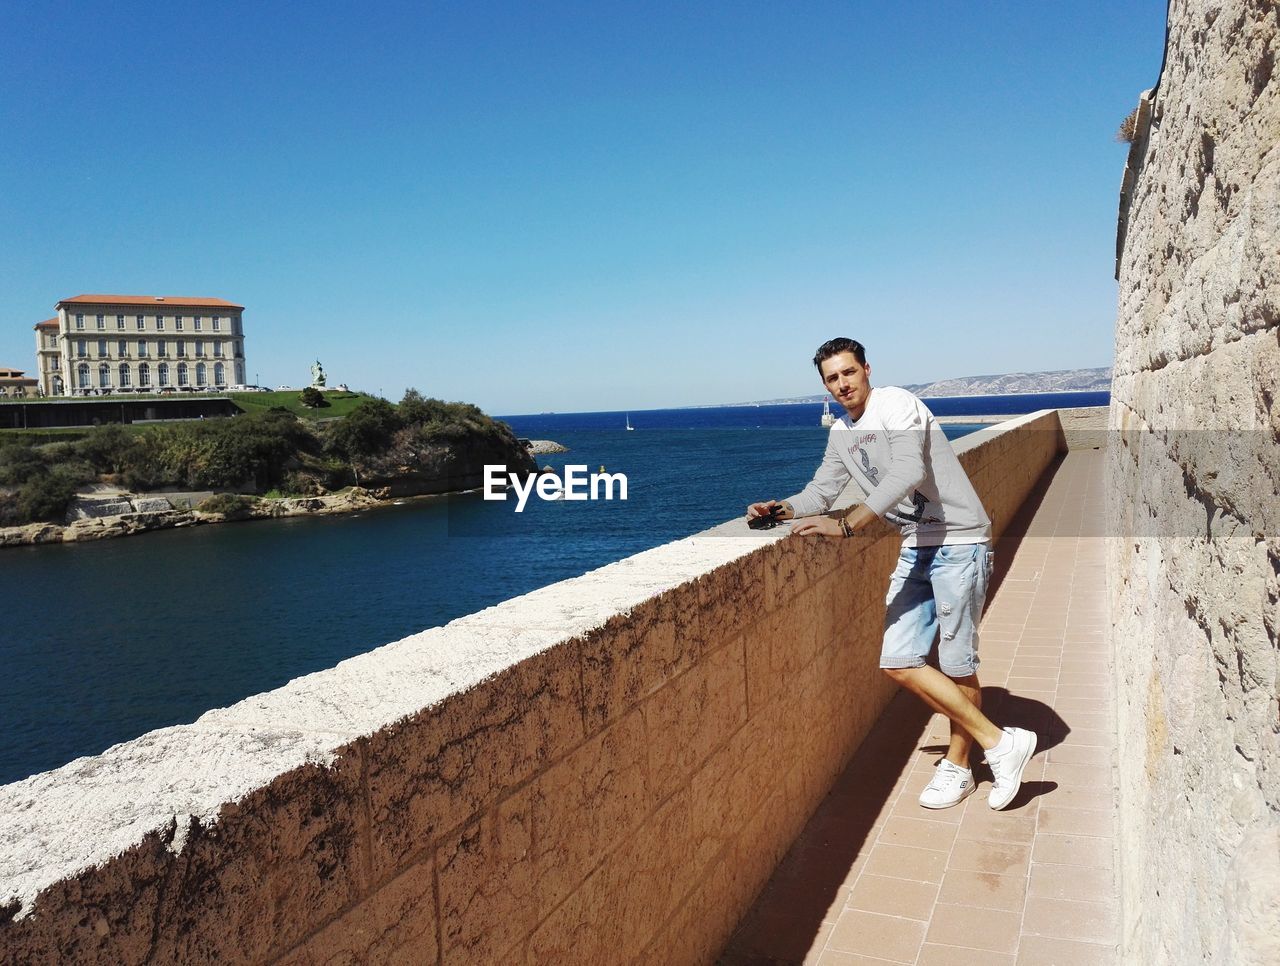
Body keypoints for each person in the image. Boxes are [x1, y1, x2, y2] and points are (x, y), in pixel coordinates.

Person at [747, 337, 1037, 810]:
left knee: (957, 661)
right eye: (831, 378)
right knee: (897, 659)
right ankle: (1002, 743)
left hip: (958, 541)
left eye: (848, 372)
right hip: (916, 546)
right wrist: (778, 510)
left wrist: (849, 525)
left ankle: (961, 766)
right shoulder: (841, 433)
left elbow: (906, 470)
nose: (842, 384)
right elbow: (819, 492)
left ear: (866, 369)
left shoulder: (896, 404)